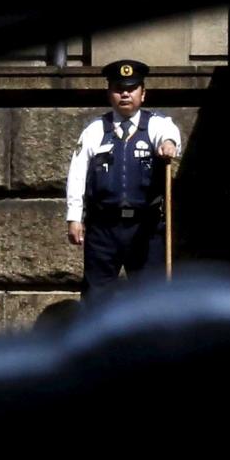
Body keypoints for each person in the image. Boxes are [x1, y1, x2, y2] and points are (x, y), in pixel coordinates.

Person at [65, 59, 183, 299]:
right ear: (109, 93)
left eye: (131, 89)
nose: (125, 94)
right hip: (103, 228)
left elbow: (168, 134)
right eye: (119, 89)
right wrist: (74, 217)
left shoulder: (155, 125)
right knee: (96, 298)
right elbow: (77, 173)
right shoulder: (96, 130)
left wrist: (169, 144)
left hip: (145, 228)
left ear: (143, 93)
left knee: (152, 297)